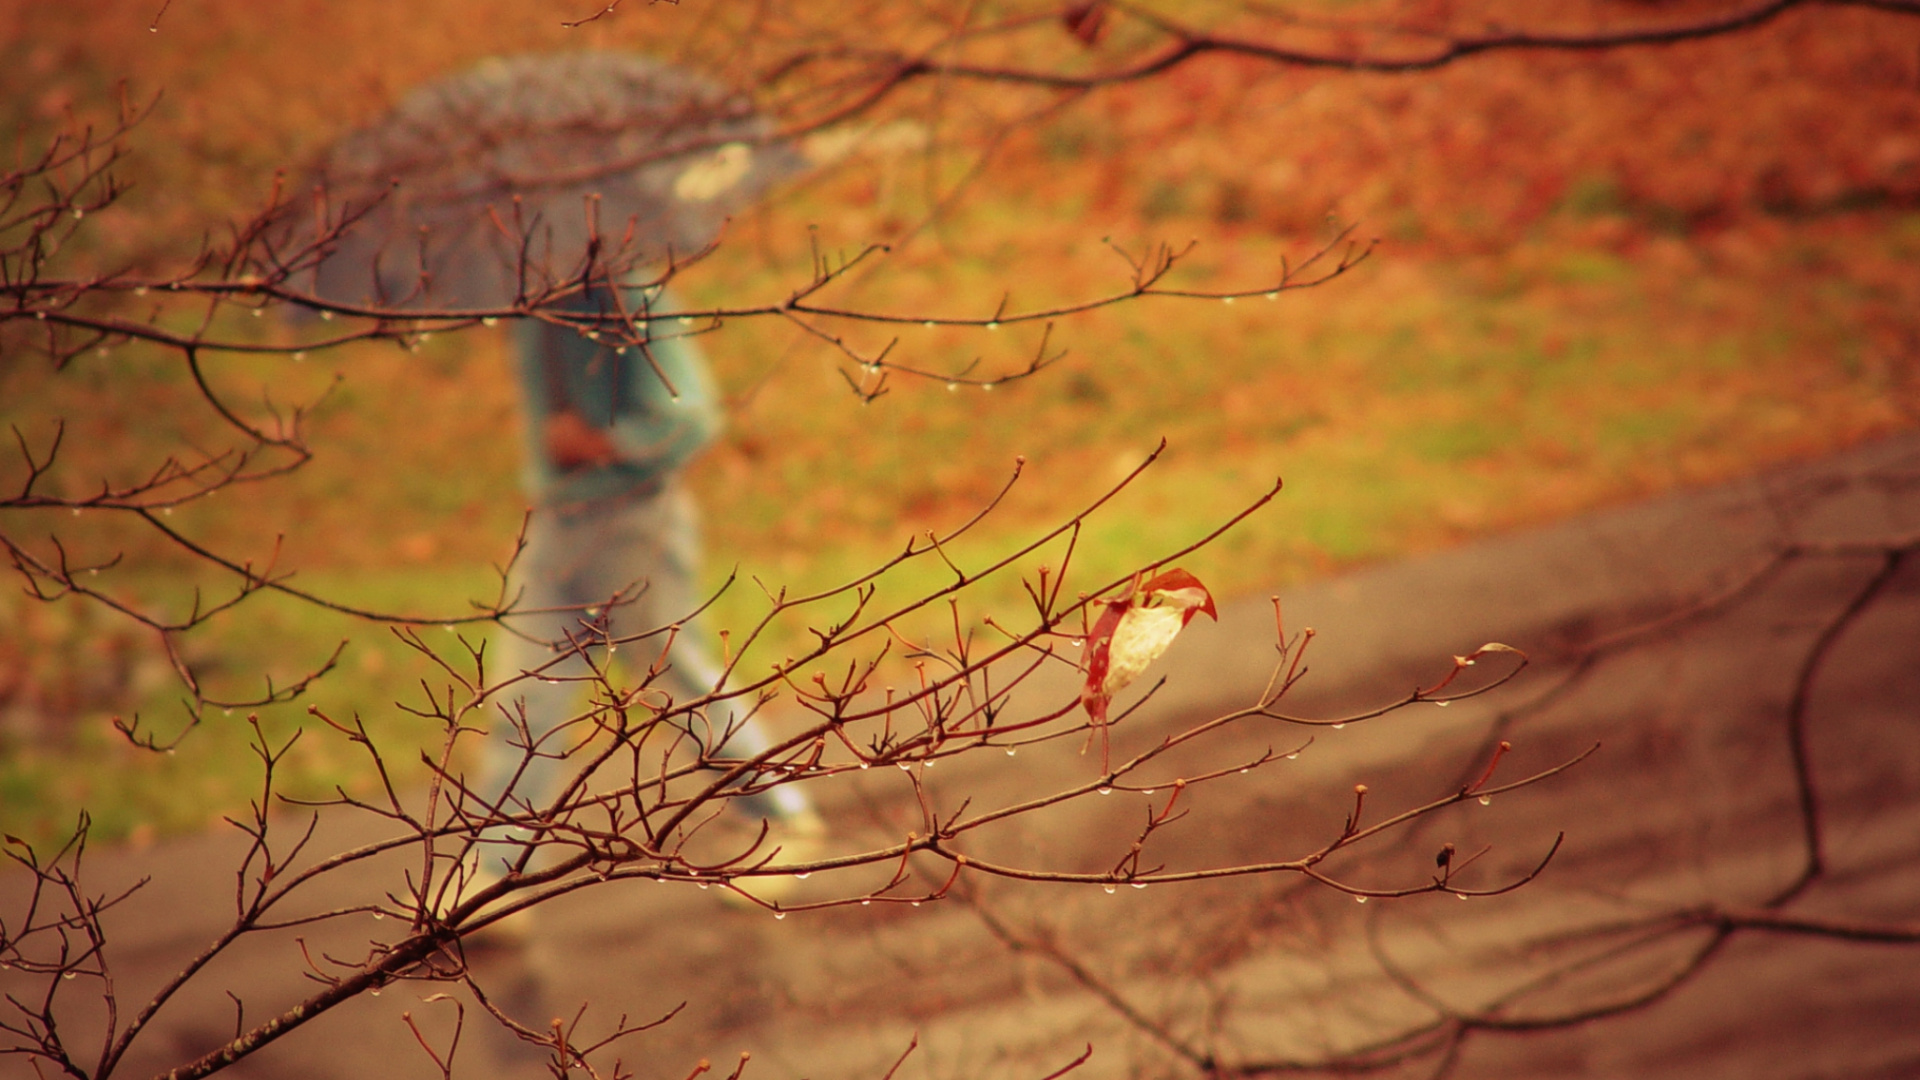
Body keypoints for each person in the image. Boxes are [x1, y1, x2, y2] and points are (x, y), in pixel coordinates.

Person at [464, 284, 821, 911]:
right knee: (524, 697)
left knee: (675, 679)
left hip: (633, 520)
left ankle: (777, 821)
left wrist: (605, 443)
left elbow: (692, 417)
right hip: (554, 525)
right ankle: (494, 875)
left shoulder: (626, 293)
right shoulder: (527, 304)